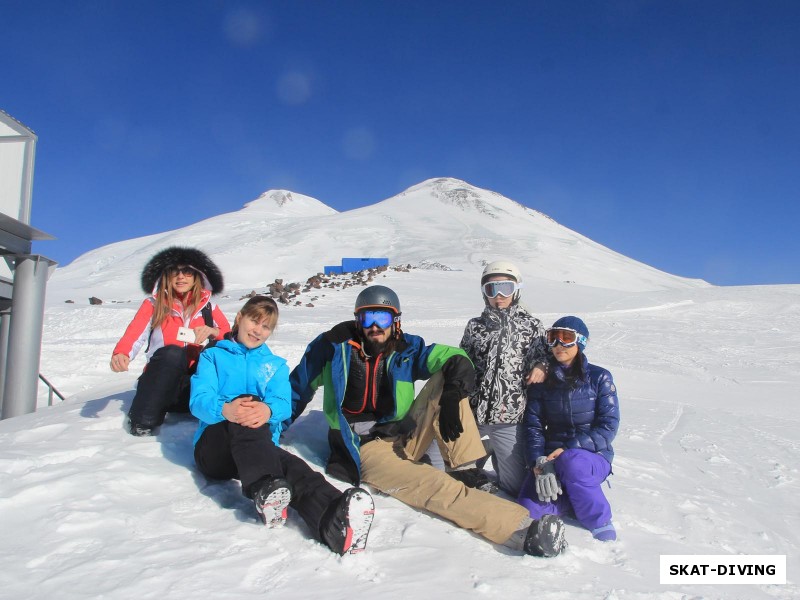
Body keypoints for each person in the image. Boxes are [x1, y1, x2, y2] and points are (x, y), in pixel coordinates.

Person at [287, 284, 567, 557]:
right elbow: (296, 391)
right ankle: (521, 530)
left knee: (450, 374)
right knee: (433, 485)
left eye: (382, 317)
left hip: (405, 434)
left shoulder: (407, 348)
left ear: (395, 320)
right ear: (358, 319)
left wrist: (451, 398)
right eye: (367, 317)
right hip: (366, 447)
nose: (375, 326)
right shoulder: (332, 348)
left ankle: (465, 467)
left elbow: (457, 357)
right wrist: (268, 431)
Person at [190, 296, 375, 555]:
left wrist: (267, 410)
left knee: (292, 467)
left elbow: (282, 404)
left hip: (255, 450)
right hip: (214, 448)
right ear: (239, 318)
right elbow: (199, 400)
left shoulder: (274, 366)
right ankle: (265, 487)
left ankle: (333, 517)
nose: (258, 330)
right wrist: (226, 409)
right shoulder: (213, 356)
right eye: (254, 321)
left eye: (266, 327)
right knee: (248, 407)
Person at [518, 316, 620, 542]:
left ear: (580, 342)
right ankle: (571, 502)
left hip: (592, 458)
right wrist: (538, 462)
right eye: (553, 338)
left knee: (573, 462)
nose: (558, 345)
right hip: (552, 460)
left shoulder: (599, 377)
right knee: (527, 510)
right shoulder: (543, 382)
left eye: (566, 338)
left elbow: (608, 427)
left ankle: (598, 519)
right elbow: (533, 426)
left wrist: (568, 449)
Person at [110, 246, 231, 436]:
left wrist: (213, 331)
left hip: (195, 389)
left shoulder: (209, 308)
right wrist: (121, 354)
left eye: (188, 272)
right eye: (175, 271)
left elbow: (231, 338)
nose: (181, 277)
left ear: (197, 276)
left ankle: (224, 416)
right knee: (172, 353)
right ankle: (143, 422)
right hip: (161, 386)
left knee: (217, 349)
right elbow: (134, 334)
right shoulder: (153, 305)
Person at [460, 261, 549, 497]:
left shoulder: (531, 326)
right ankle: (481, 448)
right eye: (491, 289)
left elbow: (545, 355)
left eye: (505, 289)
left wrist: (541, 365)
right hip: (472, 414)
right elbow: (463, 360)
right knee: (448, 473)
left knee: (515, 487)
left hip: (509, 416)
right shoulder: (475, 326)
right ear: (484, 293)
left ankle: (492, 448)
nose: (499, 296)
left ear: (516, 290)